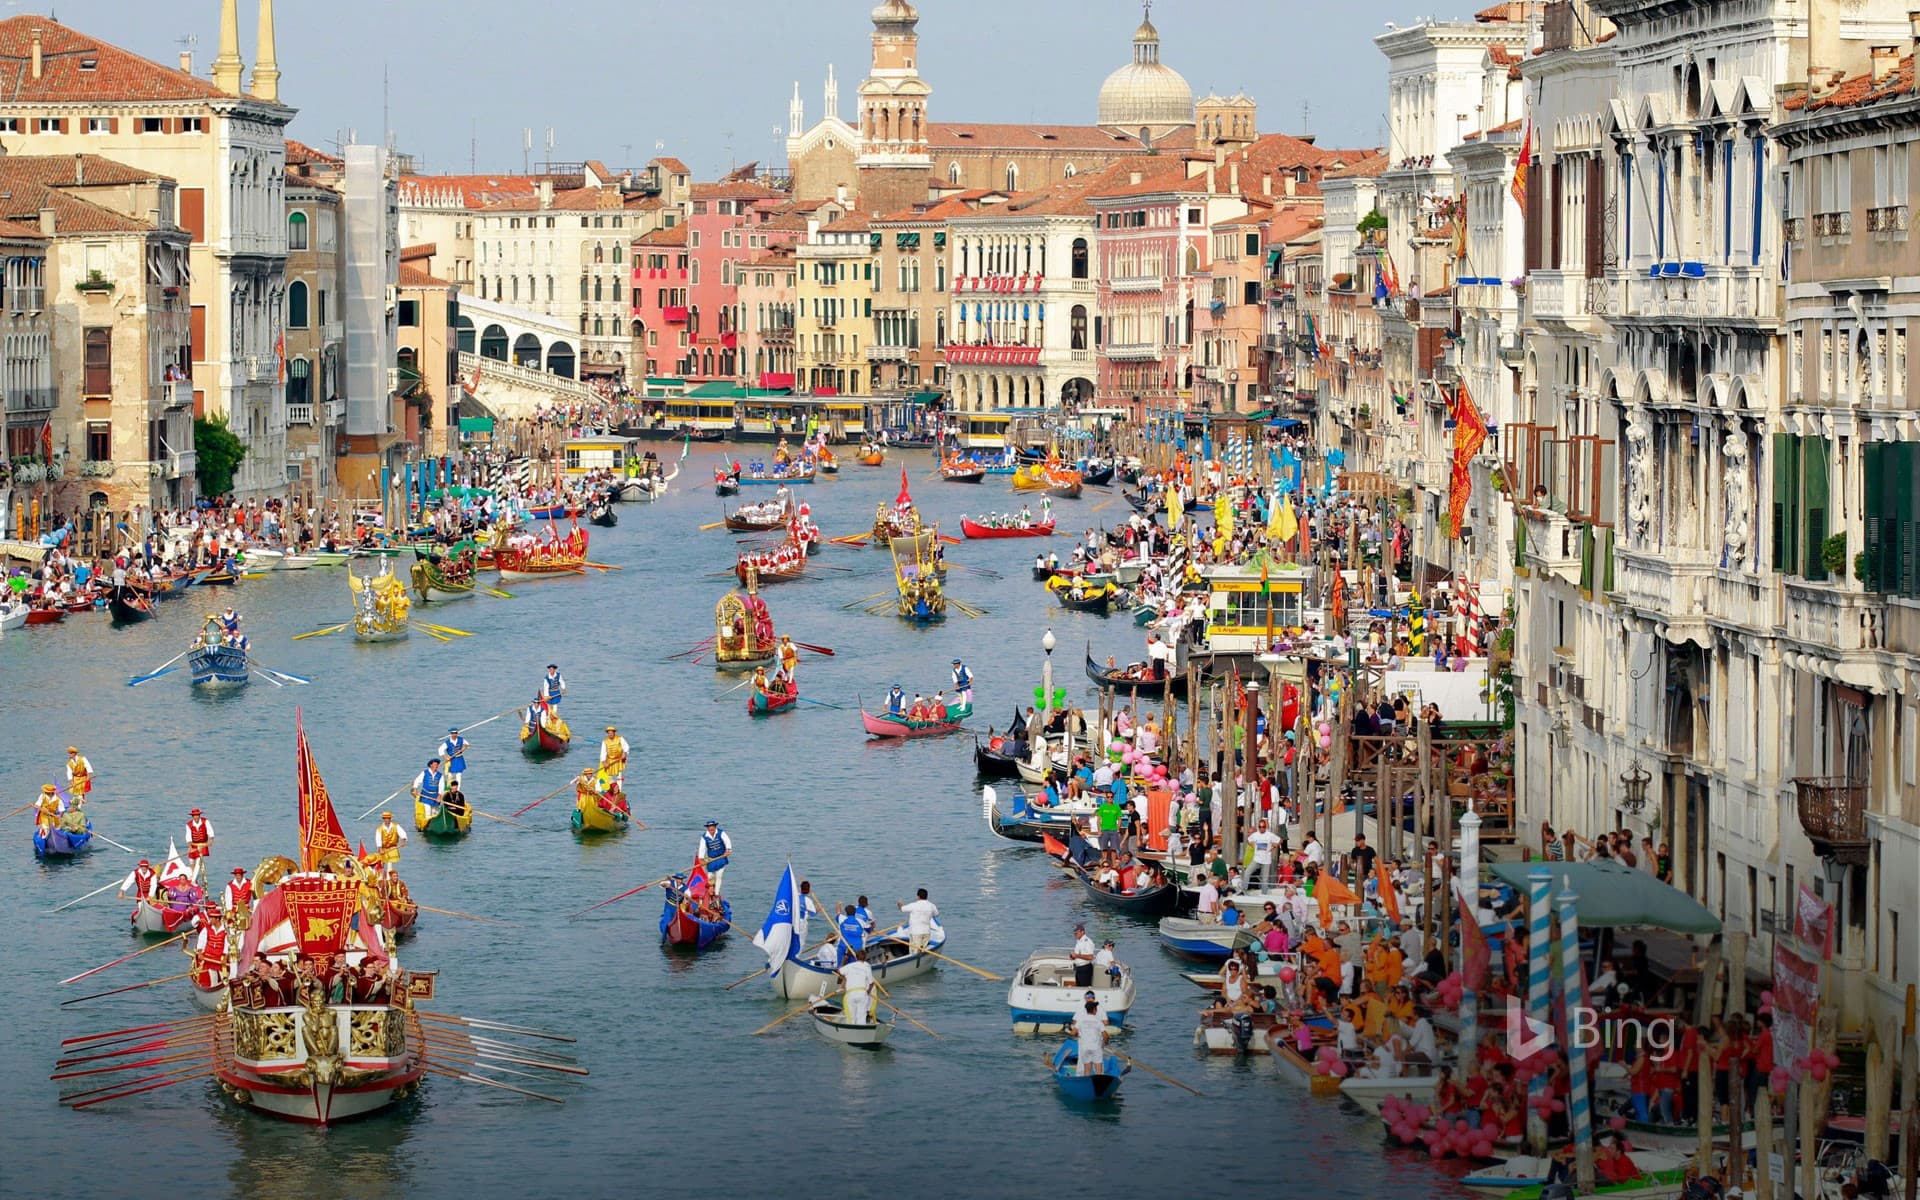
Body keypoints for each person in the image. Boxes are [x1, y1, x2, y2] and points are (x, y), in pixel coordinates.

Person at [1071, 995, 1110, 1077]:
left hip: (1085, 1047)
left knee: (1087, 1070)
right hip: (1096, 1047)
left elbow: (1073, 1033)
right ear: (1094, 1010)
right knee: (1098, 1071)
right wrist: (1105, 1042)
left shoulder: (1081, 1020)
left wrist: (1079, 1035)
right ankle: (1099, 1083)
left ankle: (1086, 1083)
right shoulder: (1098, 1021)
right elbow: (1105, 1035)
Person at [837, 949, 877, 1025]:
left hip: (850, 994)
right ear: (865, 958)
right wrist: (868, 991)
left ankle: (851, 1029)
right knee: (861, 1017)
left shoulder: (850, 966)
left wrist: (845, 978)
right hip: (862, 993)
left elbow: (839, 971)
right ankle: (861, 1029)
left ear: (856, 957)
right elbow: (871, 983)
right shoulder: (867, 967)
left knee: (851, 1017)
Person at [897, 887, 939, 954]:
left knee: (914, 952)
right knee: (923, 950)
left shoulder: (913, 905)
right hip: (926, 932)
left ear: (918, 896)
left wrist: (899, 904)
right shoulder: (932, 906)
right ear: (927, 896)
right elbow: (936, 914)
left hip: (915, 932)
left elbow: (901, 909)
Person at [697, 820, 733, 893]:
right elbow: (702, 848)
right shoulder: (704, 837)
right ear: (707, 828)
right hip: (711, 859)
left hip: (721, 858)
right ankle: (710, 890)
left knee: (719, 876)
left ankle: (716, 893)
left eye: (712, 827)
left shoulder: (721, 833)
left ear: (715, 827)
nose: (711, 829)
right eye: (709, 827)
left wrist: (728, 850)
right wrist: (701, 858)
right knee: (710, 876)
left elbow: (727, 841)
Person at [1247, 818, 1282, 891]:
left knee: (1265, 878)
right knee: (1247, 872)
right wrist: (1253, 846)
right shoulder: (1255, 834)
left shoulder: (1270, 834)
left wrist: (1274, 847)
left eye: (1263, 827)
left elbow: (1280, 840)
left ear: (1265, 827)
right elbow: (1248, 840)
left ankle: (1264, 893)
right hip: (1257, 859)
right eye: (1260, 827)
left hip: (1266, 860)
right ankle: (1244, 889)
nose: (1261, 828)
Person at [598, 725, 630, 791]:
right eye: (609, 733)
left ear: (614, 732)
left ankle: (619, 790)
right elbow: (603, 752)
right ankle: (611, 790)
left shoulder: (620, 738)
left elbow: (626, 747)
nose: (610, 734)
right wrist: (604, 762)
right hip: (610, 760)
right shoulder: (605, 741)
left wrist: (625, 753)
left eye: (611, 733)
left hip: (619, 759)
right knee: (609, 776)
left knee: (619, 775)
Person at [795, 879, 821, 947]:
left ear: (800, 888)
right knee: (801, 941)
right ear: (809, 890)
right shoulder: (808, 900)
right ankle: (796, 955)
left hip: (793, 920)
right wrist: (819, 908)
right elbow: (813, 913)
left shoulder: (795, 896)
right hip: (801, 923)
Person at [1070, 923, 1097, 988]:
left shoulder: (1087, 942)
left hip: (1085, 968)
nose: (1075, 934)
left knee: (1084, 988)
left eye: (1077, 933)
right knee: (1079, 987)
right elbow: (1078, 955)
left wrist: (1077, 955)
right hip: (1079, 968)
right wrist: (1073, 957)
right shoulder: (1079, 942)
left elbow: (1090, 957)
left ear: (1083, 932)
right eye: (1074, 933)